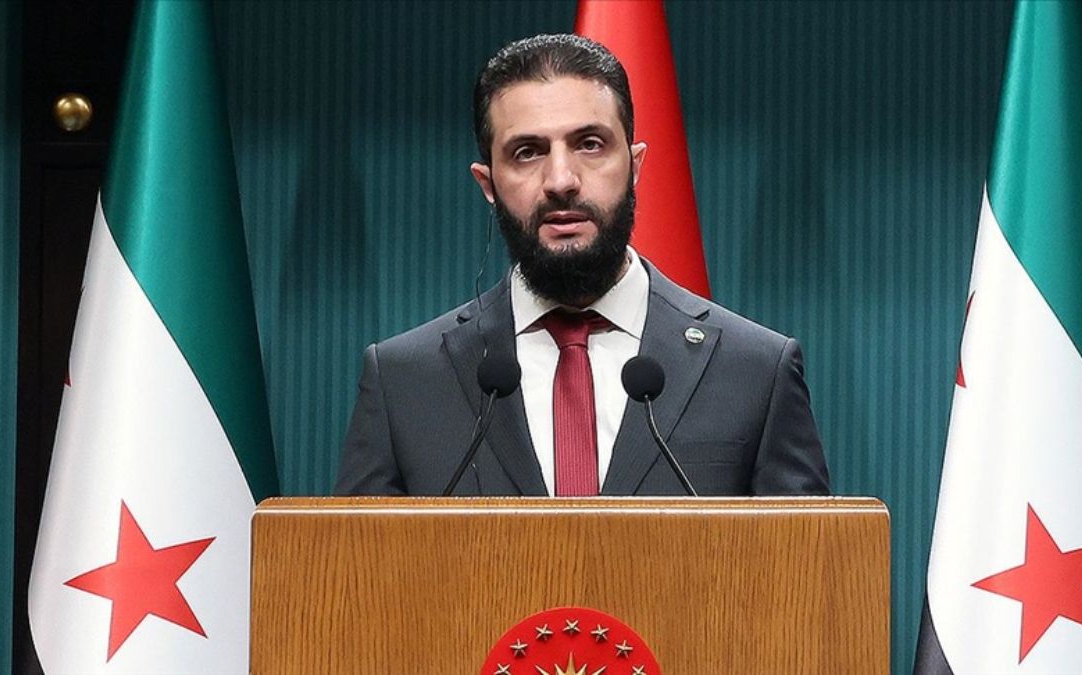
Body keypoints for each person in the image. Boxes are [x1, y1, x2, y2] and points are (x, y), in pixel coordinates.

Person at [334, 34, 829, 497]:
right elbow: (356, 561)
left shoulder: (755, 371)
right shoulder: (404, 382)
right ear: (488, 184)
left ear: (635, 165)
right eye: (527, 152)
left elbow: (805, 560)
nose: (561, 180)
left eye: (590, 144)